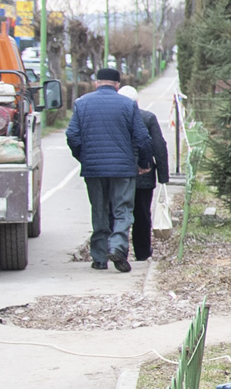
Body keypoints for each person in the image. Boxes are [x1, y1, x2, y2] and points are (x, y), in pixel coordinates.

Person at [66, 67, 151, 272]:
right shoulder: (128, 104)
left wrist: (83, 158)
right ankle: (118, 247)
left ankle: (99, 258)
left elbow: (72, 136)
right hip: (122, 169)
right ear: (117, 85)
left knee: (99, 210)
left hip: (94, 169)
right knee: (122, 210)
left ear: (96, 83)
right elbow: (142, 137)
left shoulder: (81, 103)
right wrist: (144, 163)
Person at [117, 85, 170, 261]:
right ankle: (142, 252)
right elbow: (159, 146)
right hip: (143, 174)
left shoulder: (114, 119)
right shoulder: (147, 118)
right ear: (137, 102)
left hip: (119, 175)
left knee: (119, 212)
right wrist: (163, 176)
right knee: (142, 214)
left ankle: (119, 249)